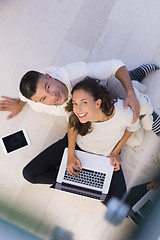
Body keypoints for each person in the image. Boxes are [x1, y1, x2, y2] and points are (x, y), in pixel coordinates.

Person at [23, 77, 152, 204]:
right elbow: (72, 125)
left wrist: (115, 152)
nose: (78, 109)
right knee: (29, 174)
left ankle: (84, 183)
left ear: (98, 103)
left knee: (121, 206)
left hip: (104, 156)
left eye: (84, 102)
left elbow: (132, 127)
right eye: (75, 103)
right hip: (76, 147)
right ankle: (83, 182)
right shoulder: (76, 113)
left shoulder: (122, 113)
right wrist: (71, 155)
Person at [0, 60, 159, 135]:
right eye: (43, 98)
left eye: (48, 87)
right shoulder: (35, 103)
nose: (53, 96)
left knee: (134, 101)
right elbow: (24, 95)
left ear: (50, 76)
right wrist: (19, 104)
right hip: (90, 110)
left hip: (103, 89)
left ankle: (136, 83)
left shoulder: (77, 73)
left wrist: (130, 94)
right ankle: (133, 78)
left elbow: (115, 65)